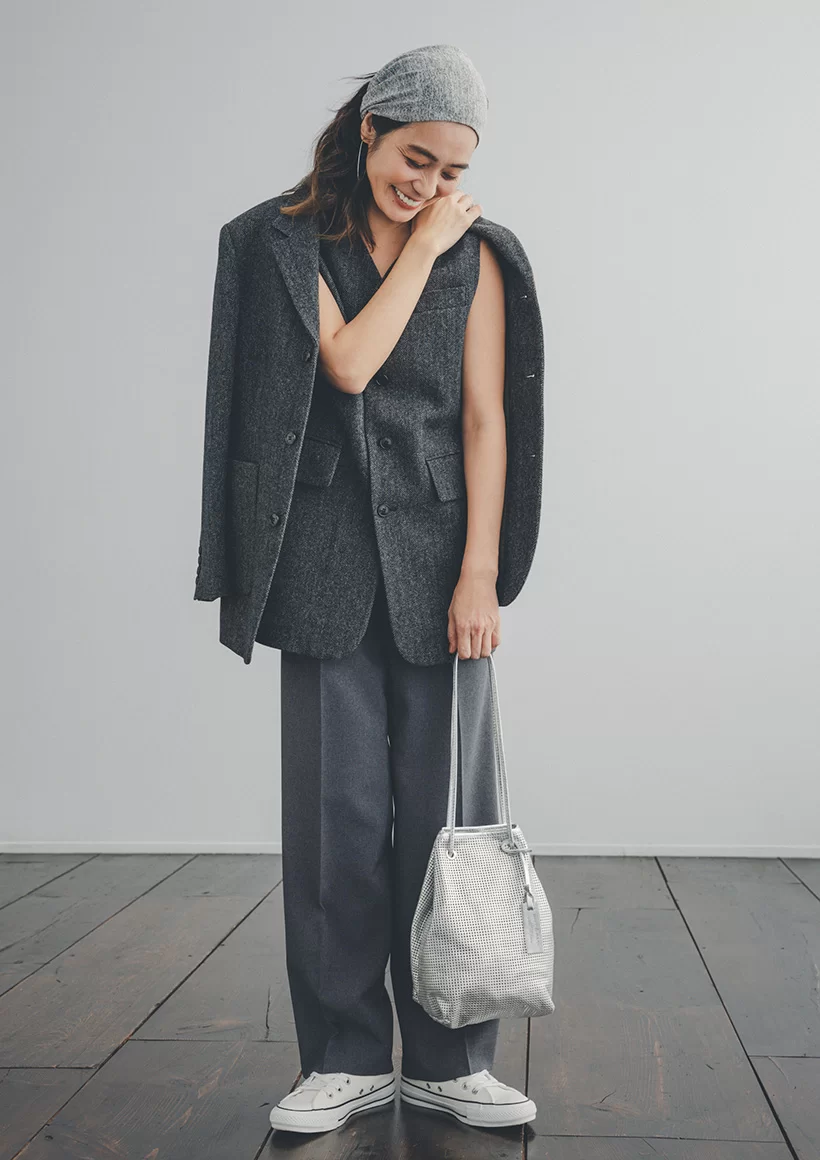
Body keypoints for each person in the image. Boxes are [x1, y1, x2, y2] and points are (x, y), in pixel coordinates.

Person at [195, 43, 544, 1135]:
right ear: (369, 130)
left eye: (452, 171)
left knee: (448, 822)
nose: (430, 186)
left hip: (444, 566)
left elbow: (484, 419)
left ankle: (451, 1058)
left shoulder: (479, 254)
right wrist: (423, 247)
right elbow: (344, 361)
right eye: (415, 159)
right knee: (333, 826)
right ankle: (343, 1057)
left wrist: (480, 571)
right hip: (318, 560)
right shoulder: (281, 238)